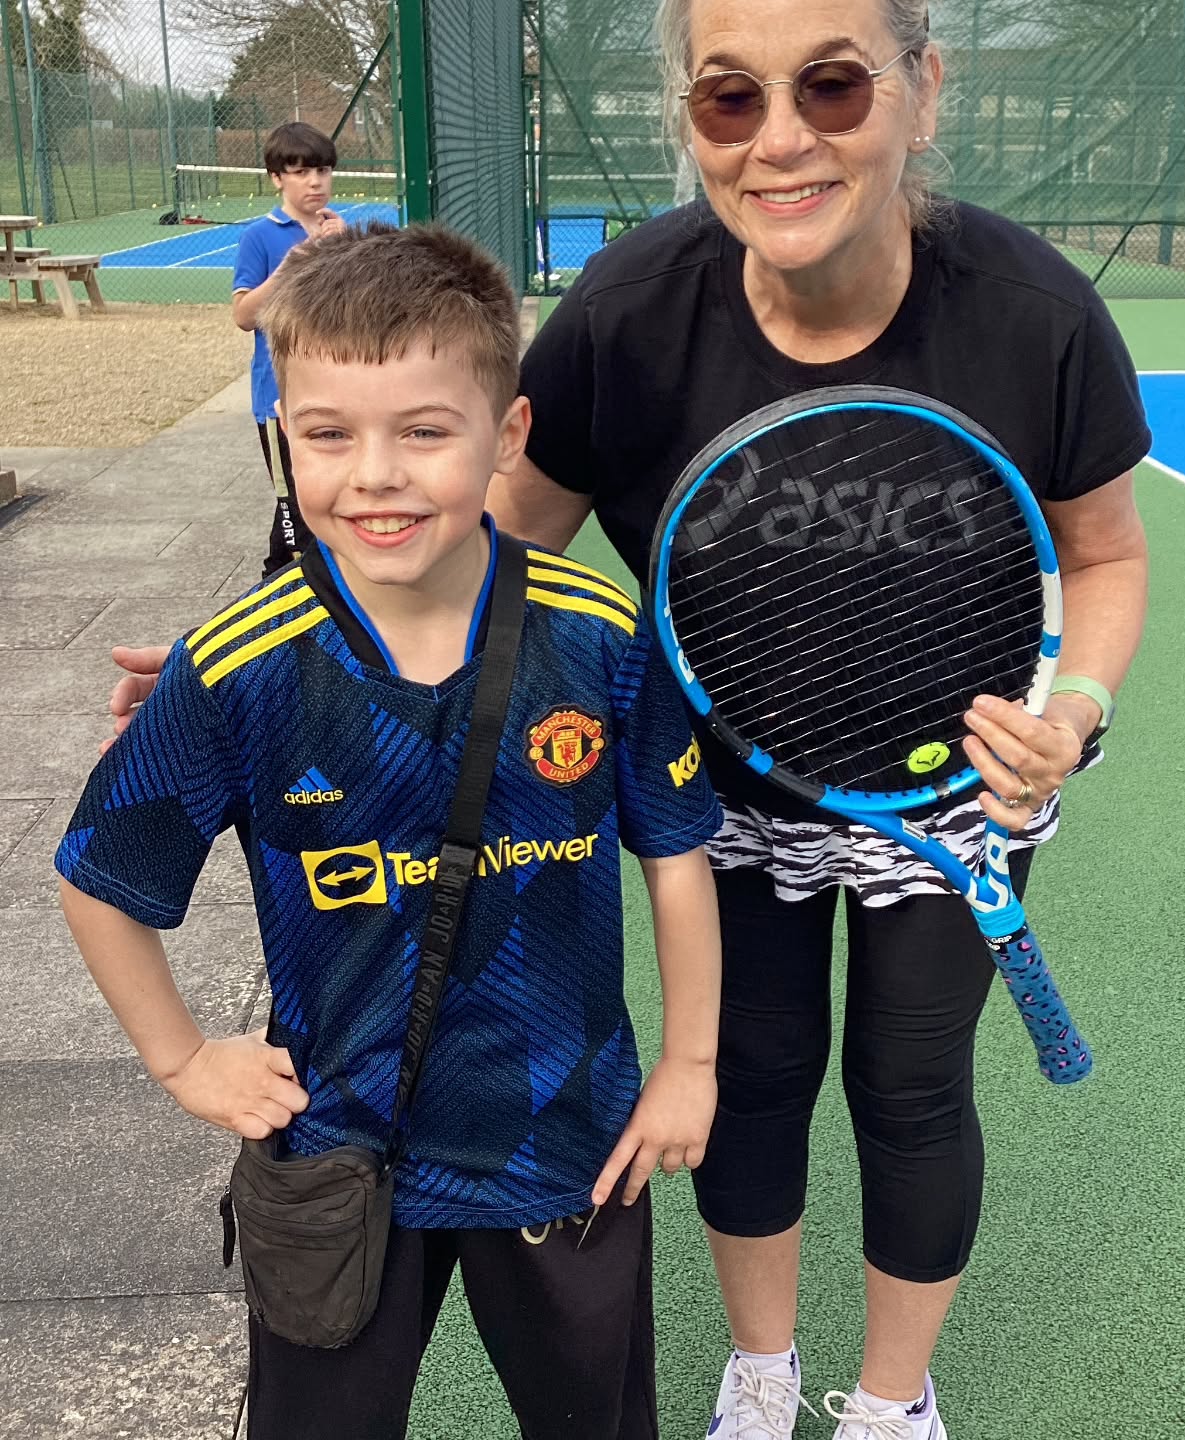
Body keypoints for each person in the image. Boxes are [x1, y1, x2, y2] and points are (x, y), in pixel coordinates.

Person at [496, 3, 1151, 1437]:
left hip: (955, 803)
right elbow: (494, 551)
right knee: (753, 1075)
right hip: (720, 799)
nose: (782, 138)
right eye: (729, 99)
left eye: (833, 85)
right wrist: (268, 654)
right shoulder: (625, 312)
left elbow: (1101, 553)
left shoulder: (1029, 314)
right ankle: (763, 1371)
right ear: (694, 121)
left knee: (912, 1088)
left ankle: (890, 1404)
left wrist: (1075, 709)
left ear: (920, 89)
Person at [58, 223, 723, 1440]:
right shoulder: (240, 665)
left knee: (598, 1420)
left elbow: (677, 854)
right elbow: (101, 881)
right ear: (284, 439)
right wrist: (183, 1058)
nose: (375, 475)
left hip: (564, 1137)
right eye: (328, 434)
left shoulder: (599, 637)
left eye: (424, 430)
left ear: (505, 437)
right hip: (339, 1141)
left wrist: (688, 1068)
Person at [233, 121, 346, 575]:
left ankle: (298, 584)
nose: (315, 181)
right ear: (277, 178)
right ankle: (280, 588)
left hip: (335, 395)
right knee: (294, 507)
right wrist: (299, 260)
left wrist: (342, 254)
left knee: (323, 500)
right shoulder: (260, 237)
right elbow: (244, 315)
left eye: (322, 170)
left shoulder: (342, 230)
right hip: (280, 399)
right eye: (300, 172)